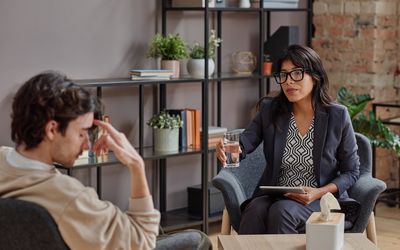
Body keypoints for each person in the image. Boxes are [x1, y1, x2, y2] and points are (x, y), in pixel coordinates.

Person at [0, 71, 160, 249]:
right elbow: (144, 242)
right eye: (82, 133)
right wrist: (137, 166)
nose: (87, 145)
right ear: (52, 130)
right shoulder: (70, 198)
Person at [216, 44, 360, 234]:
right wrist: (228, 147)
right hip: (276, 195)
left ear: (315, 77)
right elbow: (244, 142)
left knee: (282, 211)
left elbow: (351, 171)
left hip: (320, 198)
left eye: (297, 73)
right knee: (254, 211)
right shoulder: (271, 110)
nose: (289, 81)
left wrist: (319, 192)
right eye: (283, 75)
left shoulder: (337, 116)